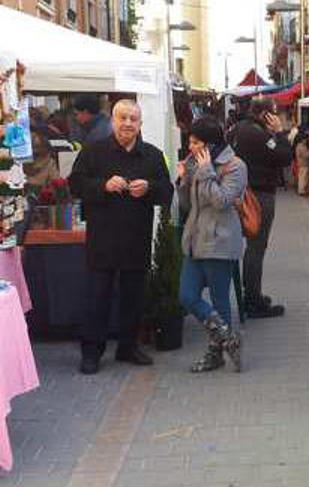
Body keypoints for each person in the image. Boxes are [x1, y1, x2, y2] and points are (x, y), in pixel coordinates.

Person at [68, 99, 174, 375]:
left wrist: (149, 187)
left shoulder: (152, 155)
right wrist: (103, 185)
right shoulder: (94, 152)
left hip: (136, 238)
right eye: (122, 117)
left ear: (140, 124)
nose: (128, 123)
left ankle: (128, 347)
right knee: (97, 299)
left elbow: (167, 191)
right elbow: (75, 184)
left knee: (133, 297)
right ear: (113, 120)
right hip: (102, 239)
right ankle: (91, 352)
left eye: (133, 119)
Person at [175, 116, 246, 373]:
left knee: (219, 301)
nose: (190, 147)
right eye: (190, 142)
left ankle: (216, 353)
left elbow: (222, 201)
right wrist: (184, 181)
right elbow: (187, 206)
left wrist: (205, 173)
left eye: (195, 142)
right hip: (195, 239)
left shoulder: (235, 166)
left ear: (210, 143)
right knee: (187, 295)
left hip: (220, 240)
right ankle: (229, 339)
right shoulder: (195, 165)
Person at [228, 97, 292, 318]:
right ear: (266, 114)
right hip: (259, 194)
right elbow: (284, 157)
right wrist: (280, 133)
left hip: (240, 192)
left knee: (251, 247)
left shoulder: (236, 129)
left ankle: (251, 294)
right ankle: (253, 300)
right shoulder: (259, 134)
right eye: (274, 113)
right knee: (256, 246)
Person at [294, 128, 309, 196]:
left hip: (301, 163)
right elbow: (306, 155)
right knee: (303, 177)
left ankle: (302, 190)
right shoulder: (302, 146)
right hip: (304, 163)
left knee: (302, 177)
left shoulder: (299, 145)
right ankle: (301, 191)